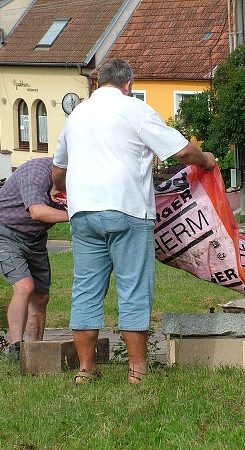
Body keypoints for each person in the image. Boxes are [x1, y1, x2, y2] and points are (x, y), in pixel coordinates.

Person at [51, 58, 216, 384]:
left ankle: (86, 370)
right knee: (133, 289)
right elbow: (182, 152)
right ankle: (137, 371)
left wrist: (59, 188)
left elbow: (59, 168)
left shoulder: (77, 115)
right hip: (127, 209)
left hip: (83, 212)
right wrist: (207, 160)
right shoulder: (134, 109)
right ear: (128, 85)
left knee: (85, 289)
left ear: (98, 83)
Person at [0, 157, 69, 360]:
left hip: (35, 238)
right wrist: (77, 214)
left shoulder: (77, 178)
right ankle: (16, 349)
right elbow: (37, 211)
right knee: (24, 287)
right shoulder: (36, 173)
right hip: (5, 231)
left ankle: (35, 351)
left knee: (41, 297)